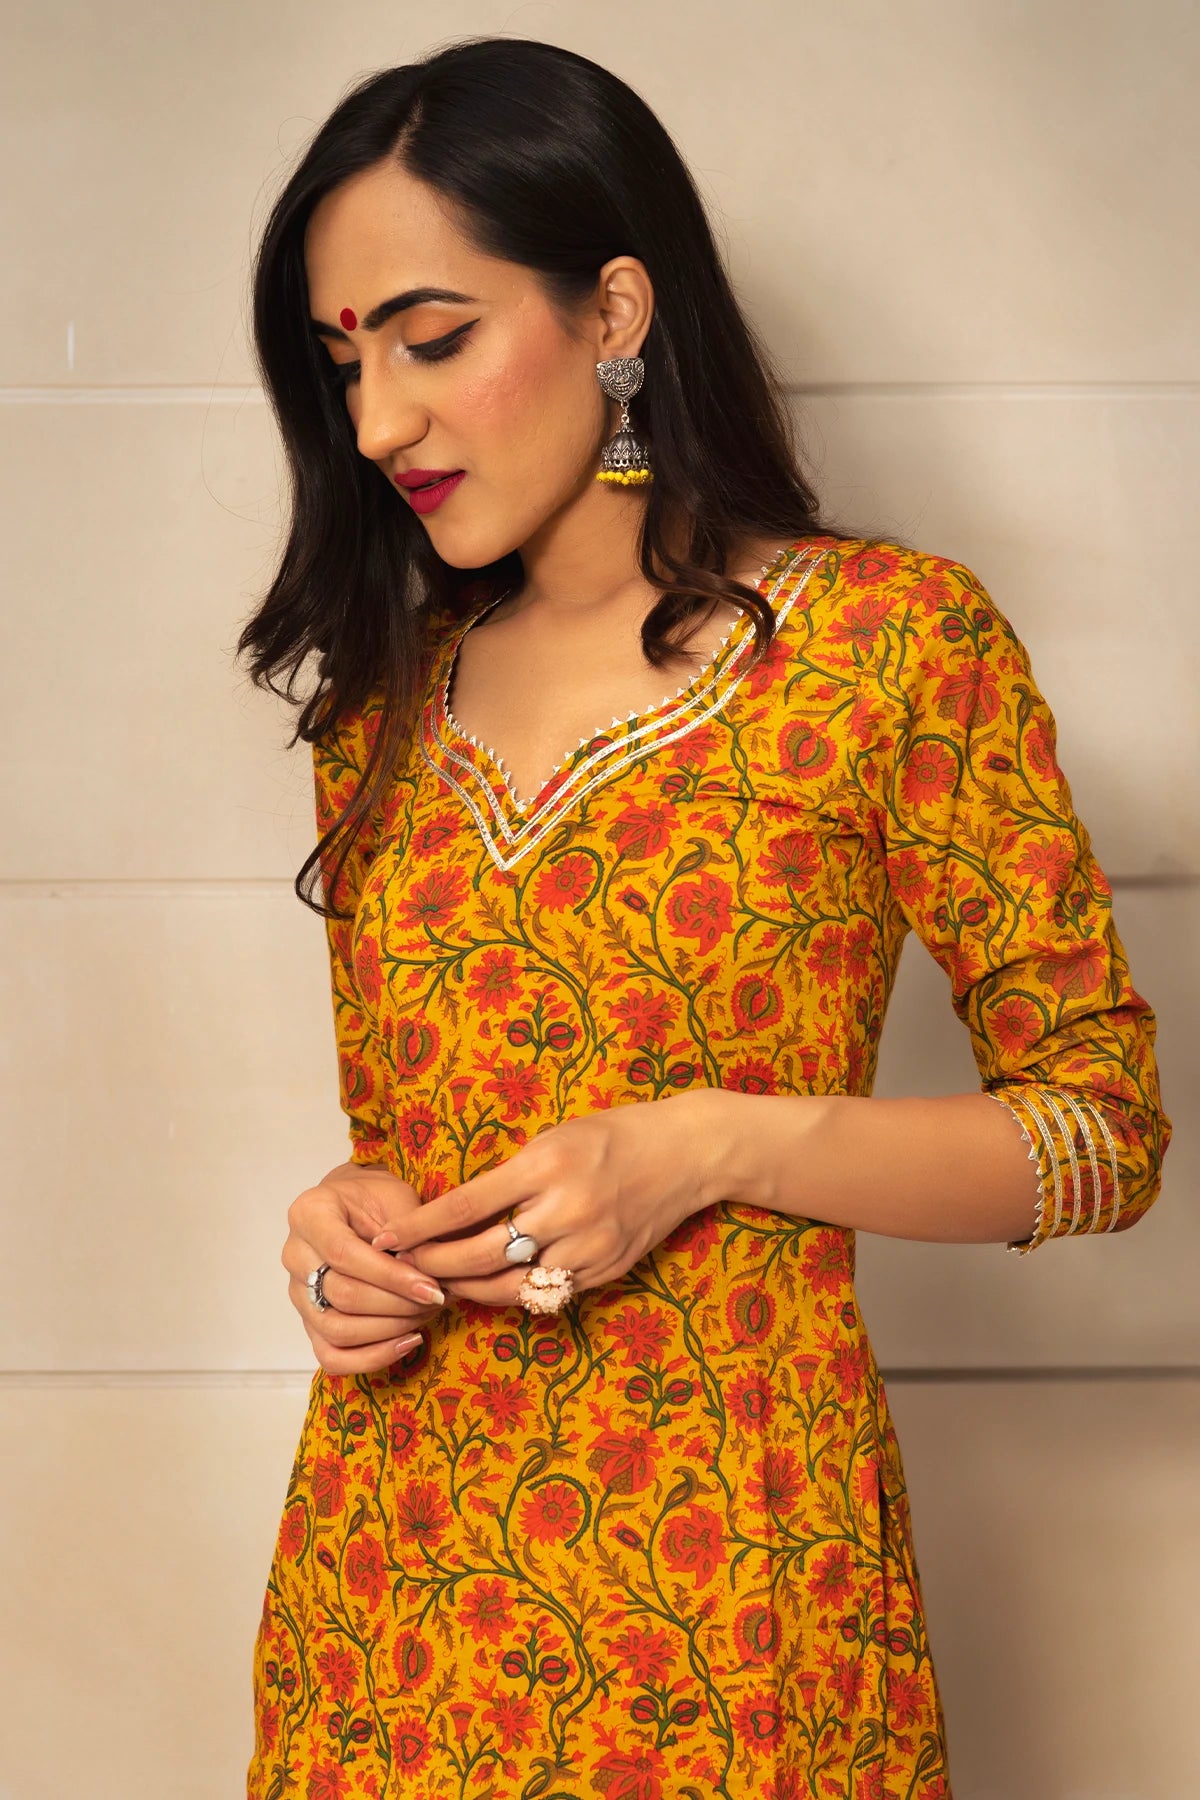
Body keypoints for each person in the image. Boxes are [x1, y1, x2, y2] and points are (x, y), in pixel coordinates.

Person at [238, 36, 1172, 1800]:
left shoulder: (887, 645)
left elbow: (1102, 1138)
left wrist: (714, 1145)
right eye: (343, 362)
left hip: (737, 1592)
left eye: (431, 339)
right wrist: (342, 1237)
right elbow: (419, 1139)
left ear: (612, 312)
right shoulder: (380, 705)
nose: (375, 424)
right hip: (389, 1602)